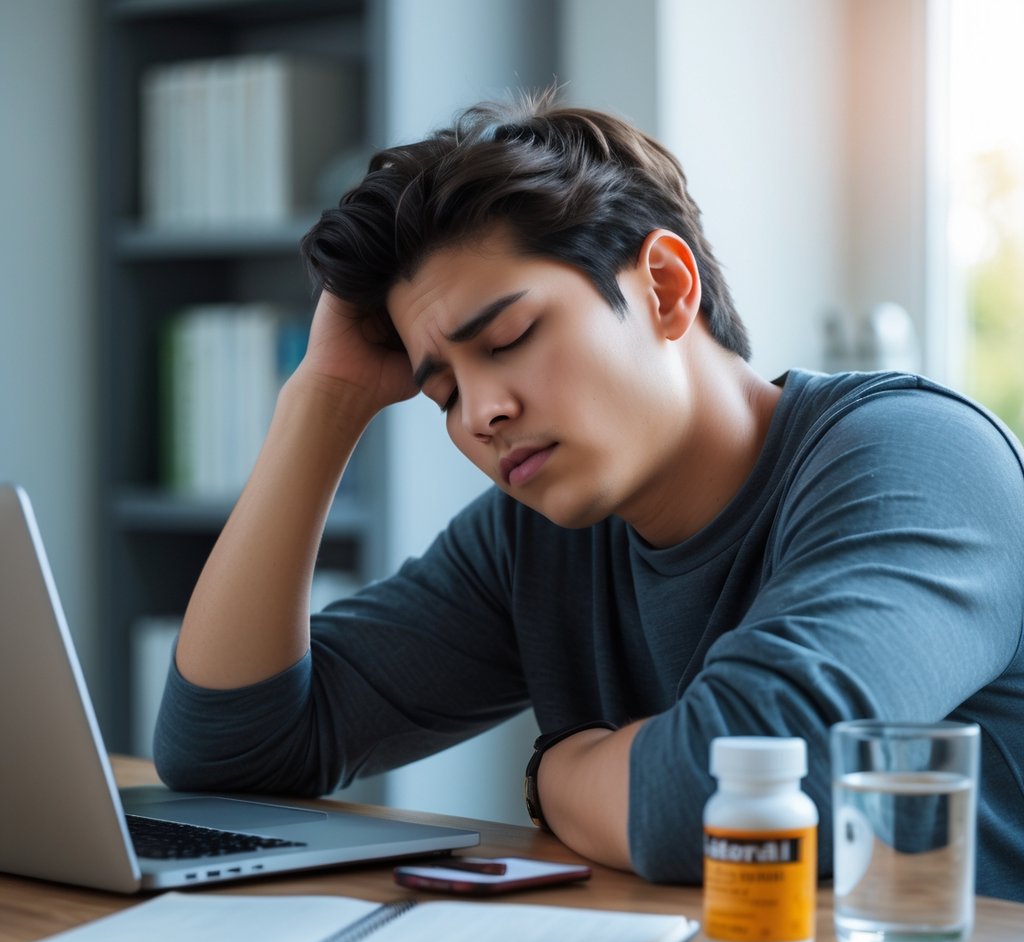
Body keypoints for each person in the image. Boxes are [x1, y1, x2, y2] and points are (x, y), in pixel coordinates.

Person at [154, 89, 1024, 900]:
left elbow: (734, 796)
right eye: (443, 395)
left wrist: (551, 774)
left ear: (668, 289)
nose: (482, 414)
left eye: (509, 337)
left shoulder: (924, 458)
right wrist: (325, 399)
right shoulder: (535, 537)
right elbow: (226, 753)